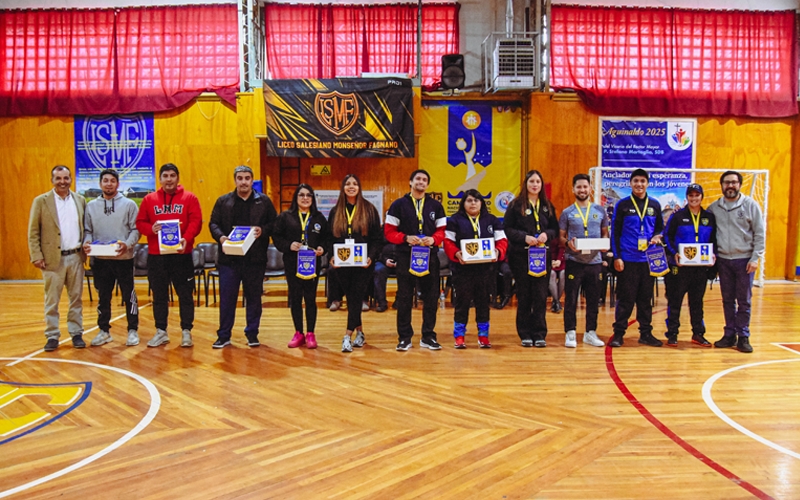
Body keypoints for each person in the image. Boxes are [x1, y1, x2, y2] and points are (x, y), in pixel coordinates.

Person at [208, 166, 277, 348]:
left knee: (254, 298)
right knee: (227, 299)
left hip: (255, 260)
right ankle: (224, 336)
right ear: (235, 180)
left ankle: (252, 334)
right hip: (229, 261)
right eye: (240, 178)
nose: (244, 181)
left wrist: (263, 230)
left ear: (252, 180)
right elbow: (213, 223)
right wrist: (221, 237)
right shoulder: (223, 201)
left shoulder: (263, 201)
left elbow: (274, 224)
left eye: (247, 178)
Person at [135, 163, 202, 348]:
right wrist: (151, 229)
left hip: (181, 254)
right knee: (159, 295)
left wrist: (186, 239)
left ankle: (186, 331)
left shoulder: (190, 198)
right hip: (157, 256)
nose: (169, 179)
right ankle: (161, 331)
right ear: (160, 178)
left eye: (173, 175)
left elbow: (196, 221)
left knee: (185, 294)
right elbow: (140, 223)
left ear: (178, 178)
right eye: (165, 175)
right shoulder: (149, 199)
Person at [385, 169, 447, 351]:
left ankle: (428, 336)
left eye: (424, 180)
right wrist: (405, 238)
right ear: (410, 182)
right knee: (404, 297)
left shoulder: (436, 206)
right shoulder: (398, 205)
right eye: (418, 179)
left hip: (429, 256)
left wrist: (434, 239)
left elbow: (442, 231)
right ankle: (404, 337)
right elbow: (389, 232)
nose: (421, 182)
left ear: (427, 185)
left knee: (431, 297)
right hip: (406, 256)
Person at [28, 165, 87, 351]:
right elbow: (33, 232)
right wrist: (36, 255)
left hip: (76, 257)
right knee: (52, 300)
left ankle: (76, 333)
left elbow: (85, 228)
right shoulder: (41, 201)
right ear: (52, 180)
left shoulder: (80, 200)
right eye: (58, 178)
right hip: (52, 259)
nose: (62, 182)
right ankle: (52, 335)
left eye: (66, 178)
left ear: (71, 179)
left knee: (76, 298)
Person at [707, 171, 765, 353]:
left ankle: (744, 336)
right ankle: (729, 334)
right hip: (724, 261)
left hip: (744, 261)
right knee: (727, 300)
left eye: (733, 182)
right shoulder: (714, 208)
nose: (730, 186)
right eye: (726, 182)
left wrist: (755, 258)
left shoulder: (750, 205)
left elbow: (760, 234)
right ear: (722, 185)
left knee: (744, 301)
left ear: (739, 184)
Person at [82, 169, 140, 347]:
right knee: (103, 297)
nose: (109, 184)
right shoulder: (91, 206)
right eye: (105, 181)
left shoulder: (129, 204)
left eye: (112, 181)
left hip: (124, 259)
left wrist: (127, 244)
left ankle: (132, 330)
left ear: (117, 184)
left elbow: (136, 230)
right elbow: (88, 231)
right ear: (100, 184)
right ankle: (104, 331)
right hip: (100, 260)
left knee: (129, 295)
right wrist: (87, 242)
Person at [444, 189, 508, 348]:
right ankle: (459, 336)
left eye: (476, 200)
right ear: (463, 203)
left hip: (486, 270)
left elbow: (502, 241)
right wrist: (456, 253)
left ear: (482, 203)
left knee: (483, 302)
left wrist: (498, 251)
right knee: (462, 302)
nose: (473, 203)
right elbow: (448, 242)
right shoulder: (454, 220)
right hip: (462, 270)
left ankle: (483, 336)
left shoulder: (492, 220)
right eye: (469, 200)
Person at [504, 170, 560, 347]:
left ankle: (540, 333)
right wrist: (524, 237)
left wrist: (546, 235)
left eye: (538, 181)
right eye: (531, 182)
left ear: (541, 185)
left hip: (542, 256)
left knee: (540, 295)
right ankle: (525, 333)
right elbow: (507, 229)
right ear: (525, 184)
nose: (535, 184)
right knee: (524, 294)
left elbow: (555, 229)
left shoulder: (547, 206)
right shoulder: (515, 205)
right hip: (521, 256)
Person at [609, 168, 664, 348]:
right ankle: (618, 334)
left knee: (645, 299)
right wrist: (617, 257)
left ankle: (646, 333)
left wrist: (657, 236)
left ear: (648, 183)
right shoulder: (623, 205)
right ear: (630, 183)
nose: (639, 184)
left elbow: (659, 228)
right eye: (636, 181)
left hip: (648, 260)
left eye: (642, 181)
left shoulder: (654, 205)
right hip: (628, 259)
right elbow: (615, 233)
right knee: (625, 299)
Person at [329, 175, 382, 352]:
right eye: (347, 184)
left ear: (359, 188)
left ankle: (347, 336)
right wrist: (332, 257)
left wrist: (371, 257)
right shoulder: (336, 211)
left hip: (362, 264)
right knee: (353, 298)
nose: (351, 187)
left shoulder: (369, 209)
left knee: (356, 296)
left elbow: (377, 239)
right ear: (343, 188)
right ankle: (360, 333)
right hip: (343, 263)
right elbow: (330, 239)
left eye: (354, 184)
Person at [273, 184, 328, 349]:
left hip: (312, 264)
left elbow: (327, 238)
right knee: (295, 298)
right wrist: (289, 245)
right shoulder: (285, 217)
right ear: (296, 198)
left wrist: (322, 248)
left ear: (313, 199)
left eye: (309, 195)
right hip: (292, 263)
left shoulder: (319, 218)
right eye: (301, 195)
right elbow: (276, 236)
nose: (305, 198)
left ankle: (310, 333)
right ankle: (299, 333)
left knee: (310, 299)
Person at [662, 183, 717, 348]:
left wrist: (713, 255)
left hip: (700, 268)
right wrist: (674, 254)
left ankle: (698, 334)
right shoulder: (677, 216)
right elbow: (667, 236)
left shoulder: (709, 217)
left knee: (697, 302)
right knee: (675, 301)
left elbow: (714, 239)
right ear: (687, 197)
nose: (694, 198)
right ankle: (672, 334)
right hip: (679, 267)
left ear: (701, 196)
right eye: (691, 195)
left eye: (697, 195)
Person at [558, 173, 608, 348]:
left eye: (585, 187)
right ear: (573, 189)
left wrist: (605, 245)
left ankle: (590, 332)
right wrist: (568, 244)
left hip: (594, 262)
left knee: (594, 299)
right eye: (578, 187)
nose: (582, 190)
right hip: (574, 261)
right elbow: (561, 237)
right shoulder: (567, 213)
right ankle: (570, 332)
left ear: (590, 189)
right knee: (571, 298)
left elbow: (604, 233)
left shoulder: (600, 210)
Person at [373, 238, 397, 312]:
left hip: (402, 261)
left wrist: (401, 261)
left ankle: (400, 301)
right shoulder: (382, 231)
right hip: (382, 261)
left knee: (406, 271)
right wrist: (385, 260)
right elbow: (376, 248)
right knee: (378, 270)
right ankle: (381, 302)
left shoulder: (406, 230)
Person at [548, 241, 565, 313]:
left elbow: (562, 247)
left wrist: (559, 260)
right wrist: (550, 261)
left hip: (561, 259)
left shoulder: (561, 234)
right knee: (551, 274)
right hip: (548, 259)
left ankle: (556, 301)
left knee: (563, 274)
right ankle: (556, 301)